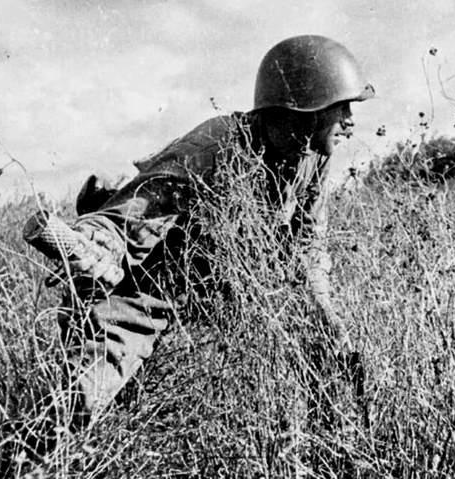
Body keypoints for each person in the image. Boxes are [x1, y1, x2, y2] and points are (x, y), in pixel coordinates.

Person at [23, 35, 374, 456]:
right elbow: (129, 216)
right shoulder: (214, 146)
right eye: (342, 108)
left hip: (231, 282)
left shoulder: (314, 153)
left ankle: (328, 453)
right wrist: (92, 244)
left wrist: (322, 310)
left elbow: (308, 241)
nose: (351, 120)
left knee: (327, 350)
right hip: (150, 283)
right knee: (81, 399)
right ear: (304, 109)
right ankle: (24, 461)